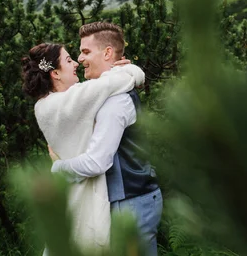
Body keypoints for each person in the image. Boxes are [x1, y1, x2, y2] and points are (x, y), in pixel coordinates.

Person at [49, 22, 163, 256]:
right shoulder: (109, 88)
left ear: (108, 53)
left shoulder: (116, 101)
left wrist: (58, 168)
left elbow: (98, 162)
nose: (80, 58)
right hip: (127, 199)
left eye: (86, 51)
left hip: (130, 202)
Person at [20, 42, 145, 254]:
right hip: (87, 194)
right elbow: (130, 78)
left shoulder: (43, 106)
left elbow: (100, 86)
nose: (76, 63)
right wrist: (124, 69)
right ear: (56, 73)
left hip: (69, 191)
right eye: (68, 60)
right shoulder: (72, 100)